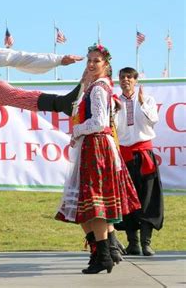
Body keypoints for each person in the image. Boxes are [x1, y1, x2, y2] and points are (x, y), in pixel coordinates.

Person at [55, 44, 141, 274]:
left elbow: (99, 123)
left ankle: (103, 254)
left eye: (96, 61)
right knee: (86, 204)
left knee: (95, 204)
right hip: (92, 145)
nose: (91, 64)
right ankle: (102, 252)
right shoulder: (95, 87)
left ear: (106, 65)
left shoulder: (99, 89)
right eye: (89, 60)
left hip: (97, 146)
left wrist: (77, 130)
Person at [115, 67, 164, 256]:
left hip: (144, 154)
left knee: (148, 198)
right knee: (126, 199)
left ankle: (146, 243)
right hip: (124, 155)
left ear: (135, 80)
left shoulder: (147, 99)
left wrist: (142, 103)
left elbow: (153, 120)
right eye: (122, 77)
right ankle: (133, 243)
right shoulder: (115, 102)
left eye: (129, 77)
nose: (126, 80)